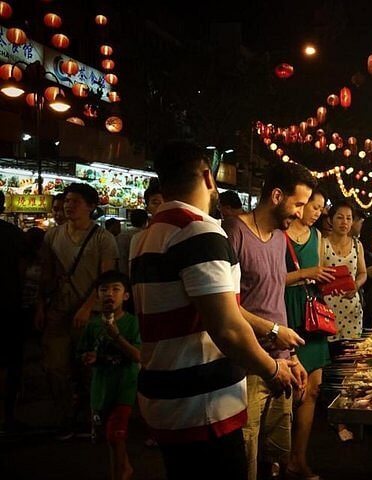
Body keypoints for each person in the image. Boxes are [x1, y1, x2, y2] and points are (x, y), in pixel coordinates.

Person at [130, 141, 297, 479]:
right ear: (208, 176)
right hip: (202, 408)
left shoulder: (147, 236)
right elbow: (227, 327)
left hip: (164, 399)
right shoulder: (200, 232)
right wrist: (272, 369)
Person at [223, 161, 316, 480]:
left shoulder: (279, 237)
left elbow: (274, 299)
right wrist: (275, 331)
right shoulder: (234, 232)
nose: (301, 214)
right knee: (246, 452)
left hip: (282, 363)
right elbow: (226, 307)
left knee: (276, 456)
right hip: (248, 363)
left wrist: (292, 356)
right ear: (277, 195)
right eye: (299, 204)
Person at [35, 183, 119, 439]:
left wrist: (87, 307)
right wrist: (40, 307)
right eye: (68, 201)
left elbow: (106, 278)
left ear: (91, 207)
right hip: (58, 311)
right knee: (55, 367)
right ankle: (65, 416)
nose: (69, 205)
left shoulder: (103, 238)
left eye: (76, 201)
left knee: (87, 369)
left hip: (89, 314)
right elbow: (44, 274)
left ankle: (87, 417)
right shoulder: (53, 235)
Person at [284, 189, 335, 480]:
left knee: (313, 388)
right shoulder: (281, 234)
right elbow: (272, 279)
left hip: (311, 313)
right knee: (291, 391)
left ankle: (298, 459)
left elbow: (316, 275)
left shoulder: (316, 237)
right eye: (312, 206)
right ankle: (277, 455)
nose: (316, 212)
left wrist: (331, 279)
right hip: (288, 310)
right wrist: (307, 274)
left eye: (319, 208)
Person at [77, 271, 140, 480]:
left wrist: (117, 337)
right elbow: (82, 352)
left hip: (124, 387)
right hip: (101, 389)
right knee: (110, 437)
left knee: (116, 432)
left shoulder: (132, 323)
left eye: (115, 289)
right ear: (97, 295)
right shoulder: (93, 325)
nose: (109, 294)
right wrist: (89, 357)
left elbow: (138, 356)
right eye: (104, 290)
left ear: (126, 296)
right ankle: (125, 467)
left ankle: (120, 474)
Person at [322, 201, 367, 341]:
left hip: (352, 308)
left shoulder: (357, 245)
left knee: (351, 354)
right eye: (340, 217)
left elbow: (362, 273)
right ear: (331, 220)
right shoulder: (323, 243)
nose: (344, 222)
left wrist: (356, 284)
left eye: (349, 218)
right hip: (327, 308)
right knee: (331, 356)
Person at [0, 192, 25, 433]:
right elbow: (22, 271)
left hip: (9, 305)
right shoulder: (14, 235)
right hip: (9, 305)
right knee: (11, 364)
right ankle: (7, 416)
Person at [116, 209, 148, 276]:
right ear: (145, 221)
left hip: (126, 274)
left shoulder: (122, 236)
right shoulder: (148, 236)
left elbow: (121, 258)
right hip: (143, 274)